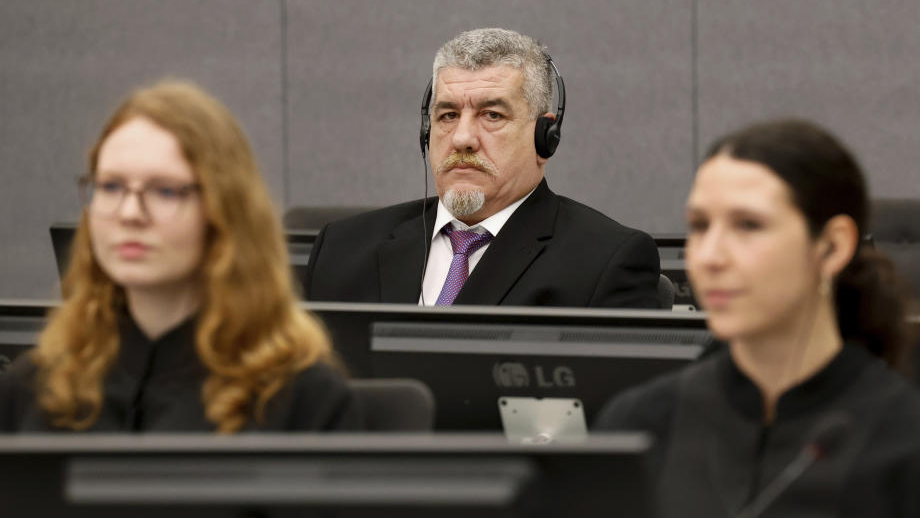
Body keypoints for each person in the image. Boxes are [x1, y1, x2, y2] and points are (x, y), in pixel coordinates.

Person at [595, 120, 920, 517]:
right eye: (700, 226)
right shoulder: (639, 424)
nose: (710, 256)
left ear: (832, 247)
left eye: (748, 226)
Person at [0, 80, 359, 432]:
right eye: (110, 186)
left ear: (224, 211)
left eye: (164, 190)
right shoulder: (32, 390)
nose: (129, 212)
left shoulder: (304, 401)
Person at [304, 28, 662, 308]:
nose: (462, 138)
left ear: (545, 136)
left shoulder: (604, 262)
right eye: (447, 115)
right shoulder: (341, 251)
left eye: (492, 115)